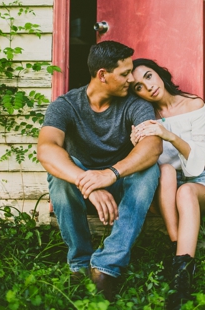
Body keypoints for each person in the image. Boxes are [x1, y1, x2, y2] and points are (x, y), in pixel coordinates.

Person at [37, 41, 163, 301]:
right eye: (125, 73)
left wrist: (110, 175)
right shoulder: (66, 105)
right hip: (83, 185)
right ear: (103, 75)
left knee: (149, 169)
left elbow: (152, 146)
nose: (131, 79)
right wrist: (88, 183)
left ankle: (106, 266)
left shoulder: (134, 104)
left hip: (119, 183)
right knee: (59, 176)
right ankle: (80, 264)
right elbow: (46, 149)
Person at [129, 58, 205, 310]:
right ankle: (179, 254)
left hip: (195, 184)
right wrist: (138, 146)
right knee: (165, 170)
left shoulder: (194, 105)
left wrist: (170, 136)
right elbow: (147, 166)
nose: (148, 86)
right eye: (138, 87)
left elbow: (198, 162)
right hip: (162, 193)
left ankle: (181, 273)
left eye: (148, 76)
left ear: (160, 74)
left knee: (186, 190)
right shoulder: (144, 116)